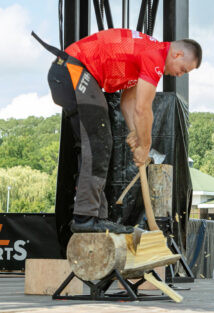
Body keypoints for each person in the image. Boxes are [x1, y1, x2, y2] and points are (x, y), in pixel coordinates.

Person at [33, 29, 202, 234]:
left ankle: (96, 217)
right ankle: (85, 218)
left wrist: (135, 134)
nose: (180, 74)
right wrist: (145, 147)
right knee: (98, 144)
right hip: (73, 69)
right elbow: (143, 108)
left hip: (76, 73)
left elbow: (128, 103)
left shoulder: (147, 54)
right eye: (183, 69)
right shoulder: (155, 56)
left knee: (101, 143)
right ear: (177, 54)